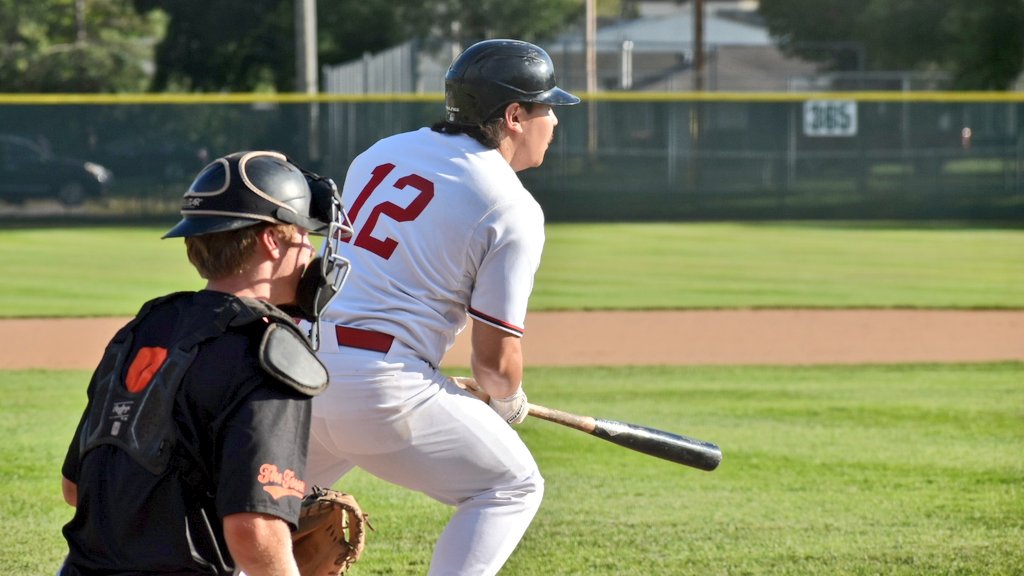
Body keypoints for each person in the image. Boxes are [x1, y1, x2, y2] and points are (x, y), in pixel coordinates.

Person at [305, 39, 580, 575]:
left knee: (269, 511)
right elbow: (494, 366)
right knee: (510, 487)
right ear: (515, 115)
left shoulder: (382, 151)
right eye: (548, 107)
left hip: (300, 371)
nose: (555, 120)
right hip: (381, 388)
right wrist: (508, 400)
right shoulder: (511, 204)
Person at [59, 150, 353, 576]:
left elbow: (75, 488)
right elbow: (254, 533)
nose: (310, 250)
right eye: (305, 235)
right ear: (272, 240)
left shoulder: (145, 327)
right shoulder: (269, 352)